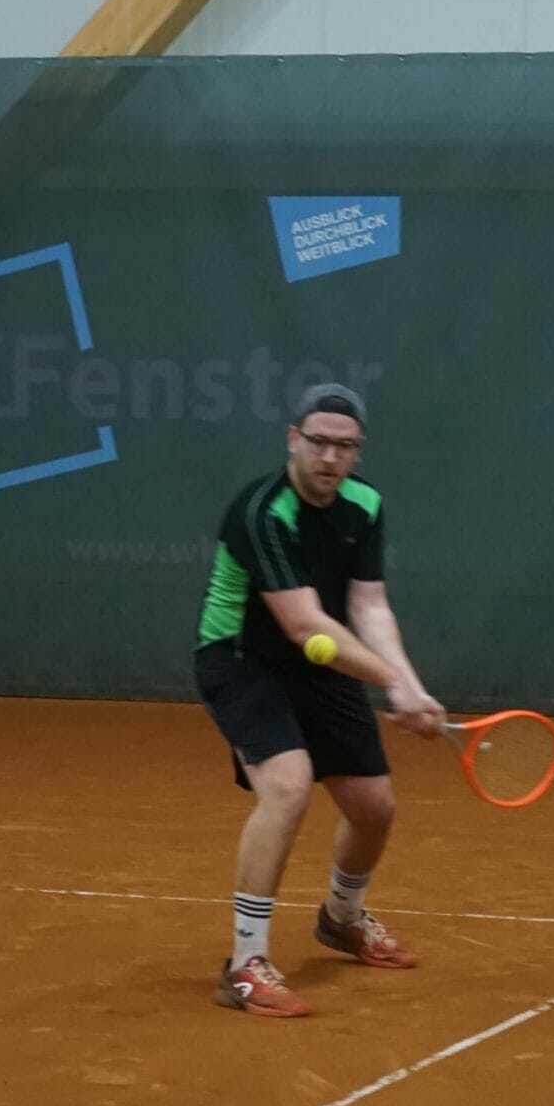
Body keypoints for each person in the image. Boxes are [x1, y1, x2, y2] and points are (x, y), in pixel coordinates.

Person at [193, 382, 446, 1018]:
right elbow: (303, 624)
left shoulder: (365, 504)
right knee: (287, 786)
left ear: (359, 451)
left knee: (373, 806)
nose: (330, 457)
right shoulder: (261, 513)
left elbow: (369, 606)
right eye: (319, 442)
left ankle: (342, 917)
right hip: (242, 659)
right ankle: (245, 965)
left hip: (321, 662)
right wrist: (390, 682)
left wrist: (408, 680)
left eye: (345, 446)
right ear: (293, 440)